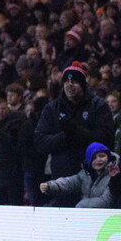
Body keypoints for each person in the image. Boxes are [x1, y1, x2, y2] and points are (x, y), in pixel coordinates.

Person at [34, 63, 113, 207]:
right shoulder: (52, 108)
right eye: (67, 81)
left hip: (93, 179)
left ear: (82, 84)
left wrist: (78, 132)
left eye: (75, 81)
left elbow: (106, 138)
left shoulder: (98, 106)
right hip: (61, 177)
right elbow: (40, 141)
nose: (70, 85)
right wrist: (64, 137)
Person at [40, 142, 117, 208]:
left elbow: (107, 201)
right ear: (89, 161)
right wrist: (50, 185)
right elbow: (69, 182)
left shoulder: (114, 176)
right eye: (94, 158)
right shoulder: (84, 174)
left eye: (102, 156)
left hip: (107, 218)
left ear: (109, 157)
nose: (98, 160)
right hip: (85, 215)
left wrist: (82, 206)